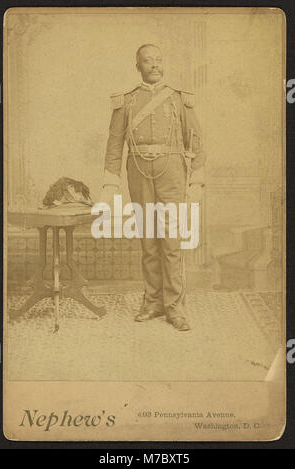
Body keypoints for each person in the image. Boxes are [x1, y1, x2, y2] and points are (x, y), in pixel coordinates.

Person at [100, 44, 205, 331]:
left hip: (171, 172)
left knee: (171, 240)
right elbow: (114, 142)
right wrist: (111, 181)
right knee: (148, 240)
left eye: (159, 60)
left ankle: (174, 307)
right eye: (148, 61)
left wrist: (196, 179)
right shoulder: (127, 100)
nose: (155, 65)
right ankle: (152, 302)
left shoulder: (179, 99)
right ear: (138, 66)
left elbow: (194, 140)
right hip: (138, 172)